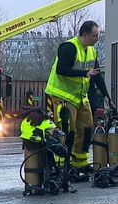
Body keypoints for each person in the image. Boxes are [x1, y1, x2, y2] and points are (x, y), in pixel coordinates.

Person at [45, 21, 111, 171]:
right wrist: (85, 73)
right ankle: (63, 164)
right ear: (85, 34)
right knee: (68, 130)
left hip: (80, 97)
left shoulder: (92, 51)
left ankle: (80, 162)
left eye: (98, 35)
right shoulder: (69, 47)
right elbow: (61, 69)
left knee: (86, 128)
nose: (97, 39)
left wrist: (107, 96)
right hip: (63, 96)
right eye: (94, 36)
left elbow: (97, 75)